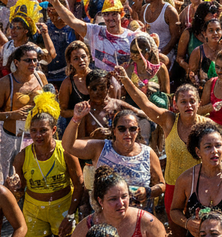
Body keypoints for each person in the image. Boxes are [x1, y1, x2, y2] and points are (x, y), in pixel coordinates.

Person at [118, 66, 210, 237]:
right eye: (183, 101)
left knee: (202, 232)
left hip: (200, 186)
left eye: (192, 101)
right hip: (173, 187)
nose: (188, 105)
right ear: (175, 104)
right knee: (177, 233)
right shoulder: (169, 120)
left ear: (199, 103)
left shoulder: (207, 126)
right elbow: (144, 103)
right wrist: (125, 79)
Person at [63, 103, 165, 213]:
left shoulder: (147, 153)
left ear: (138, 130)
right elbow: (69, 145)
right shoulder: (100, 148)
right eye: (122, 129)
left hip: (138, 219)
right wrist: (76, 119)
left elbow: (161, 184)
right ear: (114, 131)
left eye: (132, 129)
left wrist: (148, 192)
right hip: (107, 219)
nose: (127, 133)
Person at [9, 91, 83, 237]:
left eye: (43, 130)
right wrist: (13, 188)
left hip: (63, 208)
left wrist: (70, 216)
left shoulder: (66, 151)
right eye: (34, 131)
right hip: (33, 211)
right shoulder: (22, 157)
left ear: (53, 130)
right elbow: (19, 190)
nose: (38, 135)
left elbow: (79, 184)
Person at [169, 122, 222, 237]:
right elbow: (174, 211)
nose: (214, 151)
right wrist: (187, 223)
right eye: (208, 147)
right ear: (198, 152)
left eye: (218, 145)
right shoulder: (186, 179)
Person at [46, 0, 139, 71]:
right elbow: (72, 21)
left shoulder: (132, 37)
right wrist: (56, 4)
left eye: (114, 14)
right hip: (99, 85)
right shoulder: (95, 32)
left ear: (122, 14)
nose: (110, 18)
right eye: (106, 14)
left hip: (125, 86)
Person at [71, 166, 165, 237]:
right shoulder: (85, 228)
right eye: (113, 199)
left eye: (124, 196)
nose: (121, 204)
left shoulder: (147, 223)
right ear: (100, 201)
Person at [0, 44, 48, 182]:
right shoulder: (5, 83)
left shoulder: (40, 77)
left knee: (37, 177)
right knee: (13, 180)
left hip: (38, 137)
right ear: (16, 62)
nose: (33, 63)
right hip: (13, 139)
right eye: (28, 60)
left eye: (35, 60)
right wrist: (12, 115)